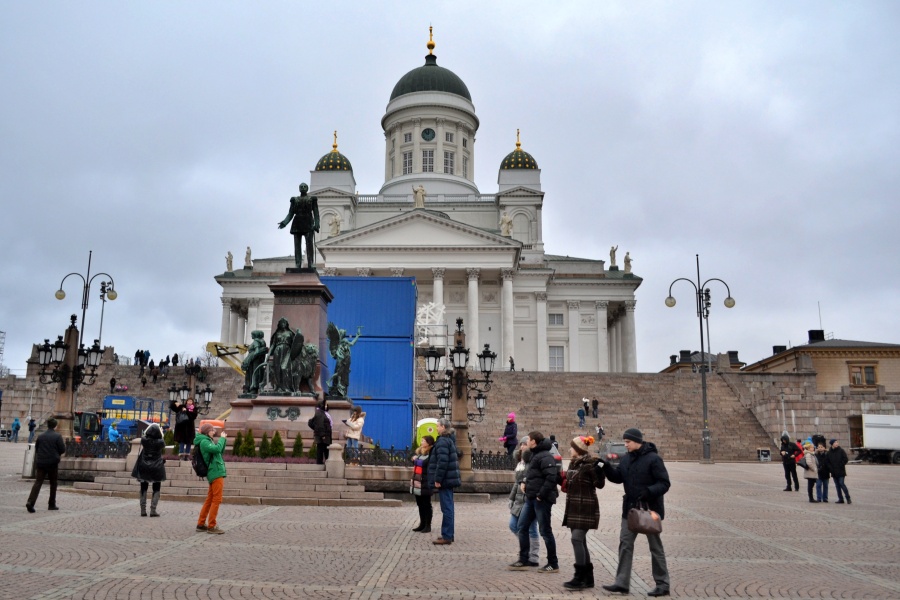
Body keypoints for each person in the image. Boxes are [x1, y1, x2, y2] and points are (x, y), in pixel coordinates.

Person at [600, 427, 671, 597]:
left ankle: (662, 584)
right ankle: (622, 583)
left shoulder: (654, 459)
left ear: (637, 441)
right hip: (630, 511)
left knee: (655, 547)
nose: (625, 445)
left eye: (628, 442)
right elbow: (618, 477)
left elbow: (664, 483)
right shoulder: (626, 459)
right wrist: (606, 468)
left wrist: (649, 491)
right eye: (625, 441)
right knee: (625, 544)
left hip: (650, 510)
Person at [510, 430, 560, 572]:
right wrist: (525, 481)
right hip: (531, 498)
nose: (527, 441)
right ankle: (524, 559)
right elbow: (532, 475)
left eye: (529, 439)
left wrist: (540, 495)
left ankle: (553, 563)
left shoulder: (545, 456)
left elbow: (551, 477)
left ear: (533, 442)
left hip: (541, 499)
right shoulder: (535, 455)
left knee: (545, 531)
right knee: (522, 526)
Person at [561, 435, 606, 589]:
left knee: (576, 539)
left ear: (578, 449)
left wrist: (600, 469)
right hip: (574, 507)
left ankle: (579, 577)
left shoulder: (590, 465)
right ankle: (588, 578)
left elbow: (599, 484)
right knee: (581, 541)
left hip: (586, 507)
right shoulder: (574, 464)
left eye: (572, 447)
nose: (569, 449)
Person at [427, 417, 460, 545]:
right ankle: (448, 534)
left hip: (445, 479)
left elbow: (442, 462)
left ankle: (447, 535)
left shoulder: (442, 441)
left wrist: (438, 479)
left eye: (437, 426)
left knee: (446, 508)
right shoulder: (449, 440)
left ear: (443, 427)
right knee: (449, 507)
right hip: (449, 479)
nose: (436, 428)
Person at [509, 439, 541, 567]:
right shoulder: (520, 462)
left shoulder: (532, 460)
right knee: (513, 525)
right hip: (519, 499)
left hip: (529, 499)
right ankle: (526, 550)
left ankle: (533, 557)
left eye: (525, 444)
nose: (522, 446)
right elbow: (517, 483)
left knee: (531, 528)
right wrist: (511, 498)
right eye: (521, 444)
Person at [26, 417, 66, 513]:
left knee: (38, 482)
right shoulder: (57, 436)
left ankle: (30, 502)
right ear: (55, 426)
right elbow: (62, 449)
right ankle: (51, 504)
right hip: (52, 463)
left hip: (41, 462)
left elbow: (37, 447)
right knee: (53, 483)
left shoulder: (41, 436)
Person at [195, 422, 227, 534]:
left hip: (215, 471)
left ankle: (201, 523)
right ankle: (212, 525)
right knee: (216, 499)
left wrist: (224, 440)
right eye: (212, 430)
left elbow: (219, 451)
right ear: (207, 431)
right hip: (215, 472)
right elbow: (217, 450)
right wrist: (222, 439)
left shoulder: (207, 441)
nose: (214, 432)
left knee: (210, 499)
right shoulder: (204, 441)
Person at [278, 182, 320, 269]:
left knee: (309, 245)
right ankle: (298, 264)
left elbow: (316, 213)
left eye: (305, 186)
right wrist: (284, 222)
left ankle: (310, 263)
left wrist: (317, 224)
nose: (303, 188)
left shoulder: (312, 199)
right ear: (299, 189)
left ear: (307, 188)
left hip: (308, 222)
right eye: (301, 187)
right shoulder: (294, 200)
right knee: (297, 245)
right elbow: (291, 213)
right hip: (297, 222)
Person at [131, 423, 166, 517]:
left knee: (143, 487)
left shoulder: (144, 440)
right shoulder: (160, 442)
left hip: (144, 466)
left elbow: (144, 435)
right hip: (157, 467)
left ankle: (143, 510)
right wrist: (161, 433)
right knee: (157, 487)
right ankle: (153, 510)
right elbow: (163, 442)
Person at [410, 435, 435, 533]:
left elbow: (426, 464)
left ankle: (427, 525)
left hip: (425, 481)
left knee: (426, 504)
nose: (422, 442)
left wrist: (416, 460)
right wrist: (414, 460)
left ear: (428, 443)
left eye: (424, 441)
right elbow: (417, 465)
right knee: (420, 503)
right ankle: (422, 523)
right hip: (417, 481)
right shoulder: (420, 453)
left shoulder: (431, 453)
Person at [308, 399, 333, 465]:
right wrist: (322, 434)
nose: (326, 406)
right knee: (321, 451)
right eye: (325, 404)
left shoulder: (323, 413)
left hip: (325, 435)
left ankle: (325, 463)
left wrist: (317, 430)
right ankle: (320, 464)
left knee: (325, 450)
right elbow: (319, 424)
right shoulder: (320, 413)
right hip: (323, 436)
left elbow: (313, 423)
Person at [827, 439, 851, 504]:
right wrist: (831, 469)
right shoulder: (829, 452)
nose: (836, 443)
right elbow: (828, 462)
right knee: (837, 486)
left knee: (842, 484)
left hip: (841, 471)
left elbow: (845, 459)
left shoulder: (841, 451)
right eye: (835, 442)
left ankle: (848, 498)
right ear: (832, 444)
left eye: (837, 442)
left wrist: (841, 465)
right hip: (834, 471)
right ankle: (840, 499)